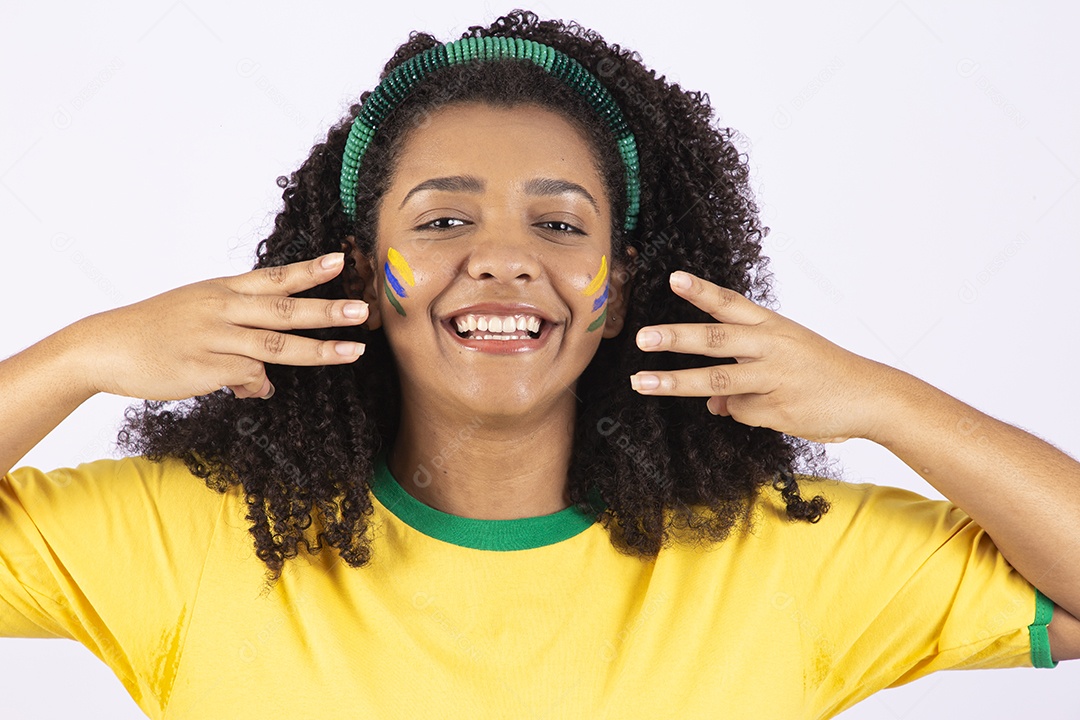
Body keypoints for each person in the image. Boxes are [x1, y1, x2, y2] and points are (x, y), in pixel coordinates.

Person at [1, 9, 1078, 718]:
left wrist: (886, 401)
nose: (505, 260)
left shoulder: (779, 562)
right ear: (369, 278)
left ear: (621, 295)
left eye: (561, 227)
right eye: (443, 219)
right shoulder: (189, 540)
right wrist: (79, 356)